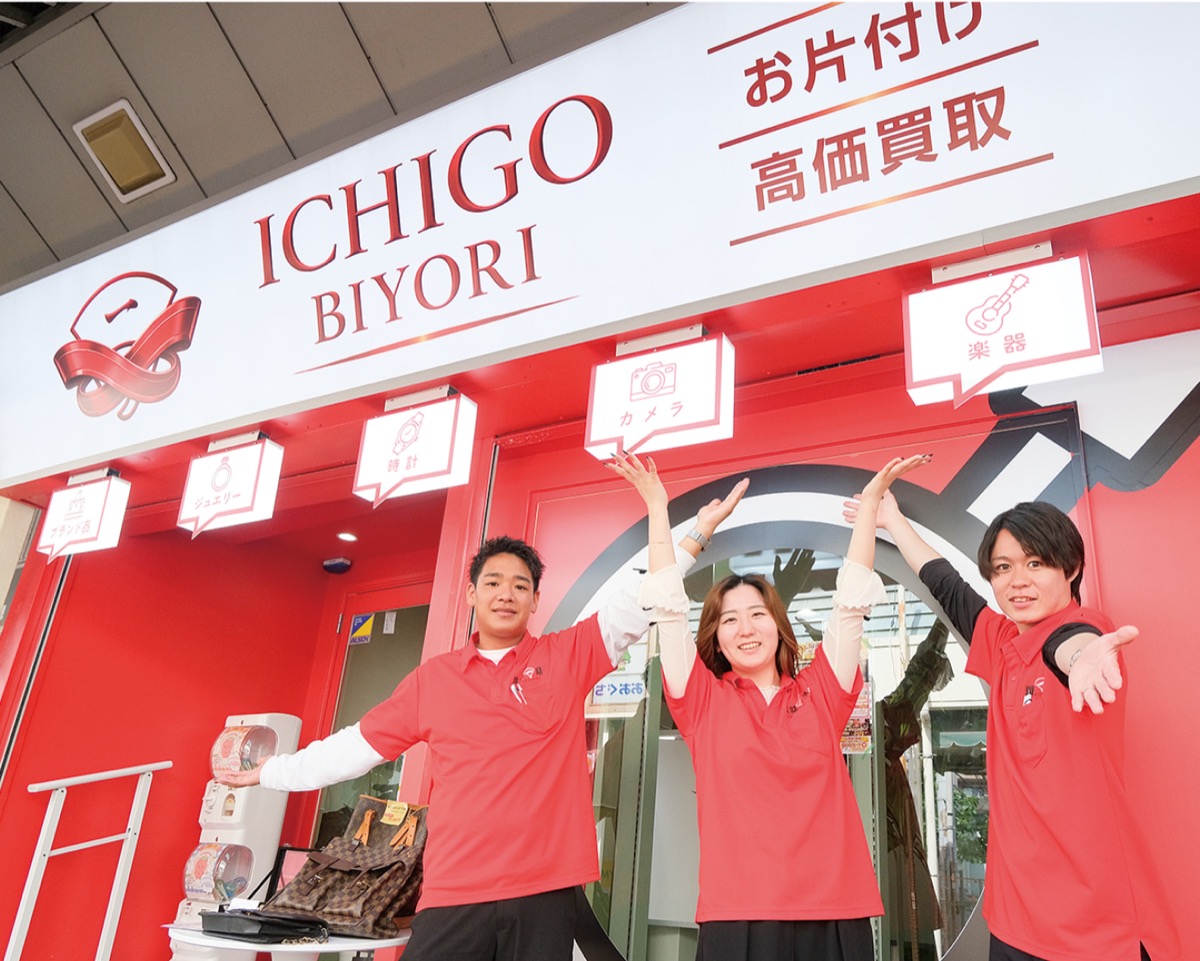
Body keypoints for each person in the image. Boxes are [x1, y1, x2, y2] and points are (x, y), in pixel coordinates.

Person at [215, 452, 748, 961]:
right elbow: (355, 748)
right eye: (492, 583)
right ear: (471, 594)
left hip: (544, 892)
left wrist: (695, 532)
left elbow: (646, 597)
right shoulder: (434, 680)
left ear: (535, 599)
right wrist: (272, 772)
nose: (505, 594)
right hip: (454, 891)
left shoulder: (568, 656)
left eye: (520, 585)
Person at [844, 460, 1181, 961]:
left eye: (1035, 564)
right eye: (1003, 568)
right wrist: (892, 519)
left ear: (1071, 568)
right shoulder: (1002, 643)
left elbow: (1071, 644)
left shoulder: (1082, 628)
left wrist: (1081, 659)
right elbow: (947, 585)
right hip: (1012, 922)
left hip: (1092, 927)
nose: (1017, 581)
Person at [621, 453, 928, 961]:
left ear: (778, 626)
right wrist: (658, 508)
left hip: (834, 912)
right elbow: (668, 608)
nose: (745, 629)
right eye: (729, 620)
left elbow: (850, 604)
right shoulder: (700, 700)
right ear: (716, 638)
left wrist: (871, 509)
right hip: (737, 915)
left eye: (758, 614)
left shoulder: (822, 690)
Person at [773, 548, 950, 961]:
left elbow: (919, 675)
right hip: (810, 883)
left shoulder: (879, 730)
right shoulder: (781, 731)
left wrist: (947, 614)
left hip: (884, 869)